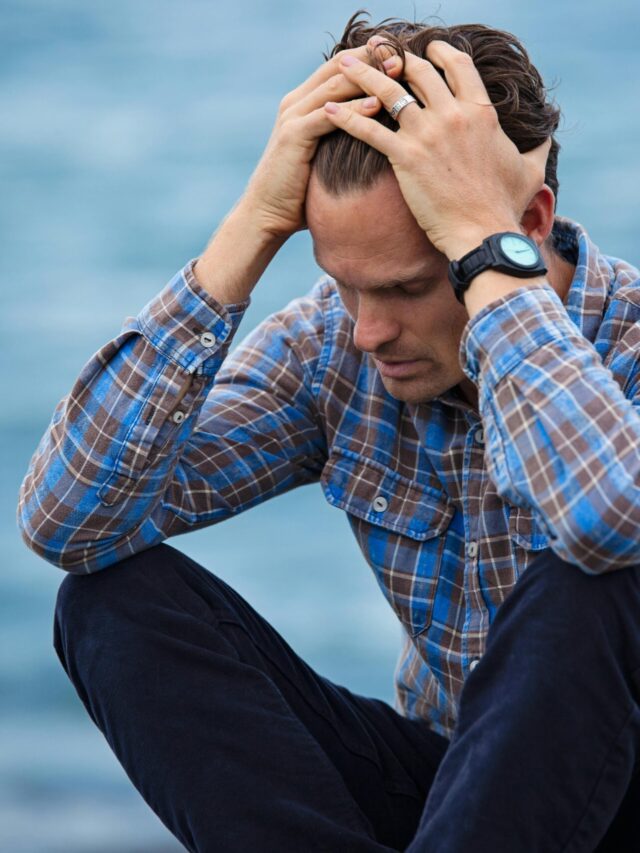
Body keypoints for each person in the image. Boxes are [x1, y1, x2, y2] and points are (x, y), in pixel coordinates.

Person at [17, 11, 640, 853]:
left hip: (621, 792)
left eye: (409, 286)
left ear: (525, 225)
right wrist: (252, 228)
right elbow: (68, 520)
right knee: (108, 603)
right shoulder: (334, 351)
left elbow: (608, 515)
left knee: (589, 582)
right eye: (347, 286)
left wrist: (485, 255)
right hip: (459, 792)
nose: (366, 332)